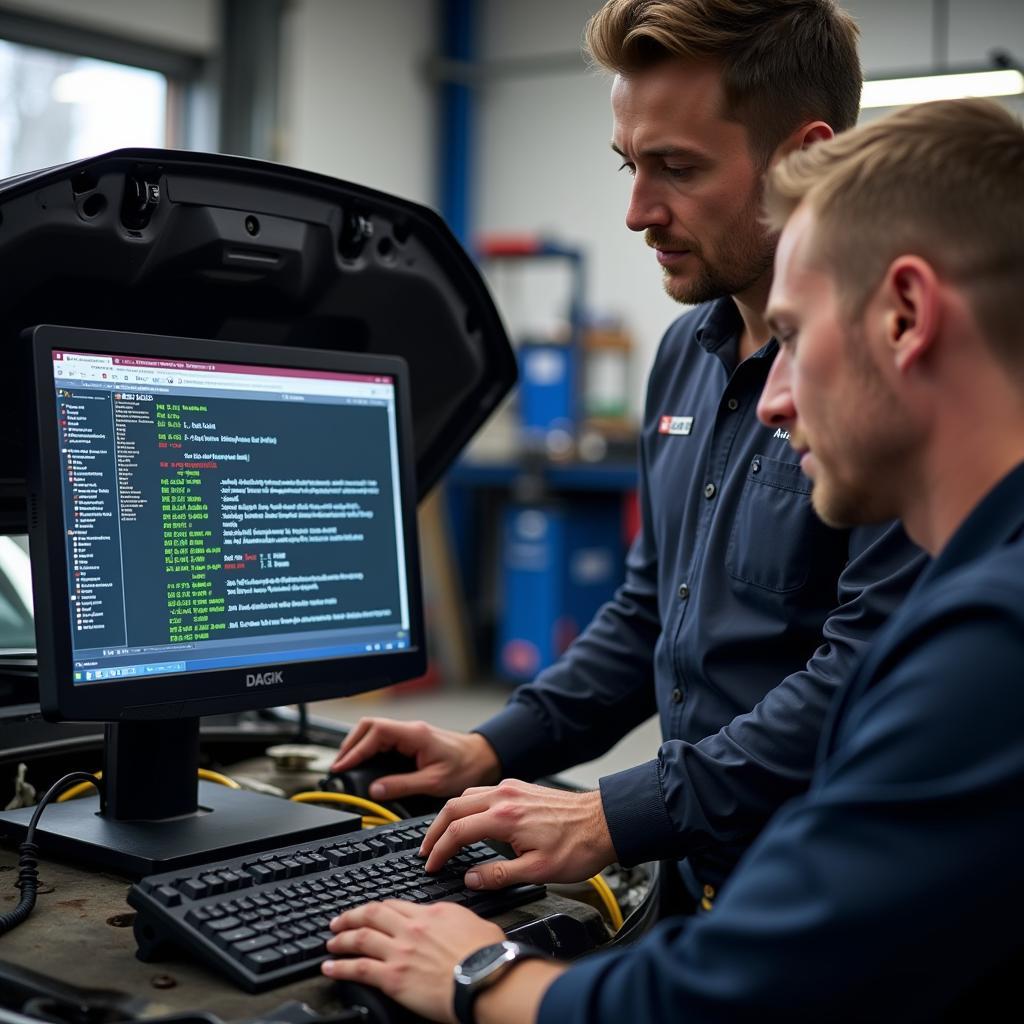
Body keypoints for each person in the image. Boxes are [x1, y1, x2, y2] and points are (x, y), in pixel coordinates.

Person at [322, 96, 1024, 1022]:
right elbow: (654, 607)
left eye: (796, 339)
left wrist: (486, 976)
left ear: (904, 316)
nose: (773, 400)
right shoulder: (975, 595)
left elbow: (743, 989)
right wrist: (497, 747)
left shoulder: (988, 644)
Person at [333, 0, 923, 902]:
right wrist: (495, 745)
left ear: (804, 157)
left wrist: (612, 816)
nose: (637, 211)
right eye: (630, 165)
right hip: (694, 872)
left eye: (676, 169)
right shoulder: (683, 355)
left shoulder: (892, 376)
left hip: (828, 897)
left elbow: (869, 671)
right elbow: (654, 609)